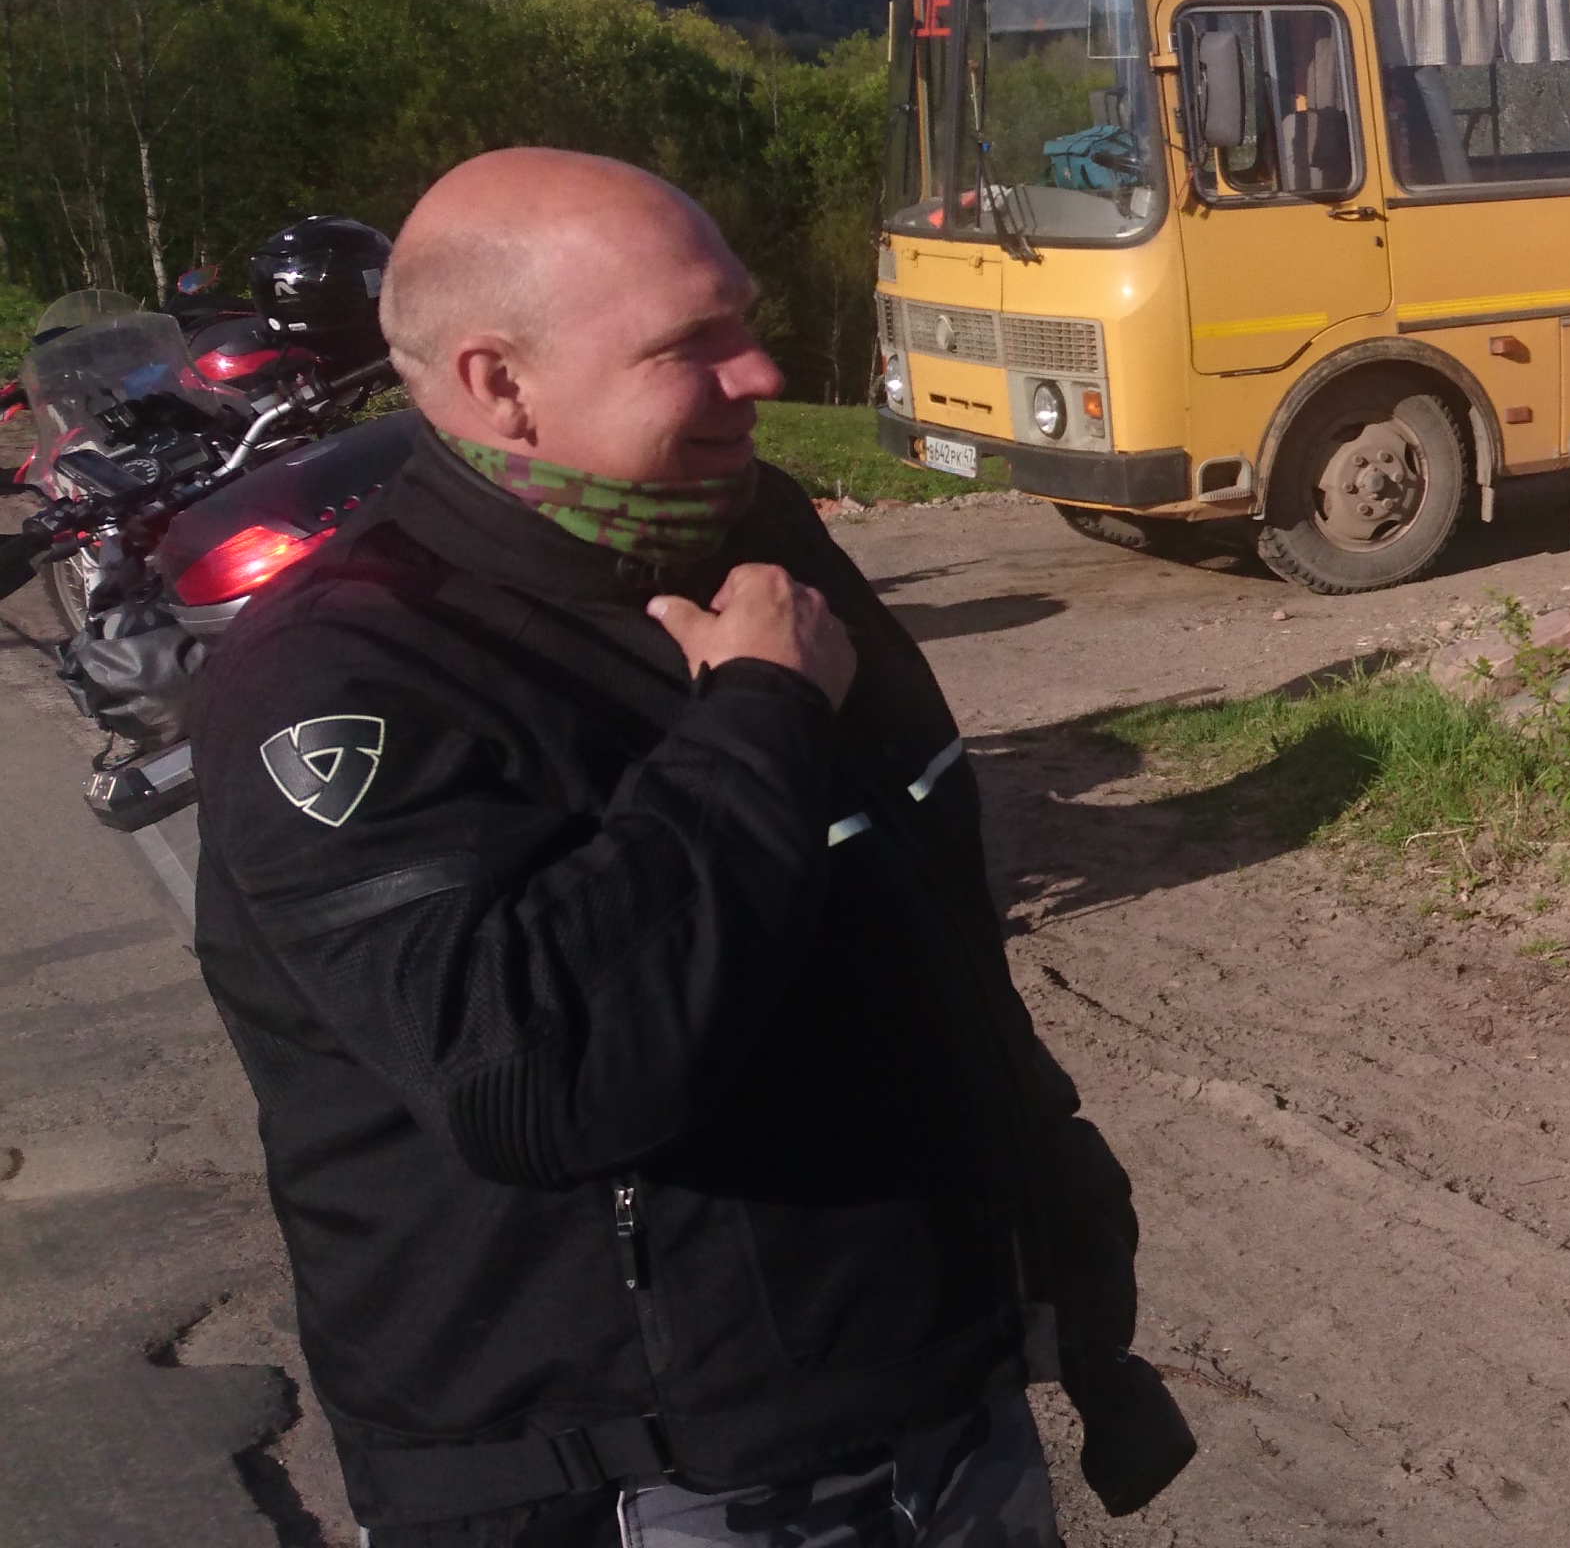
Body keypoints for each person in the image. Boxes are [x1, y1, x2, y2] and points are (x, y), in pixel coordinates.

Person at [189, 149, 1194, 1546]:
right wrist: (760, 713)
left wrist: (1057, 1209)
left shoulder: (750, 532)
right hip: (639, 1484)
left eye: (748, 320)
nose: (762, 372)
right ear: (498, 383)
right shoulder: (343, 675)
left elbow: (918, 915)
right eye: (692, 344)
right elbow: (537, 1078)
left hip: (930, 1403)